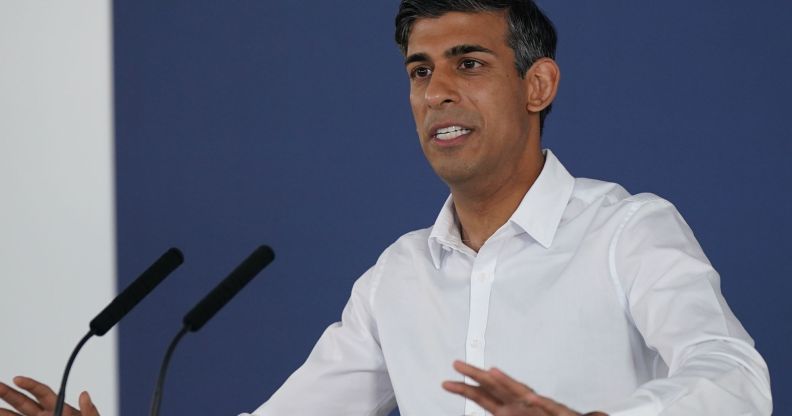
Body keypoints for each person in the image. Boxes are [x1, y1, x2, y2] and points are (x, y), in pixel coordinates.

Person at [0, 1, 773, 415]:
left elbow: (735, 378)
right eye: (419, 70)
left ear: (538, 86)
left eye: (469, 63)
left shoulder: (625, 231)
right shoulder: (398, 277)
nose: (437, 91)